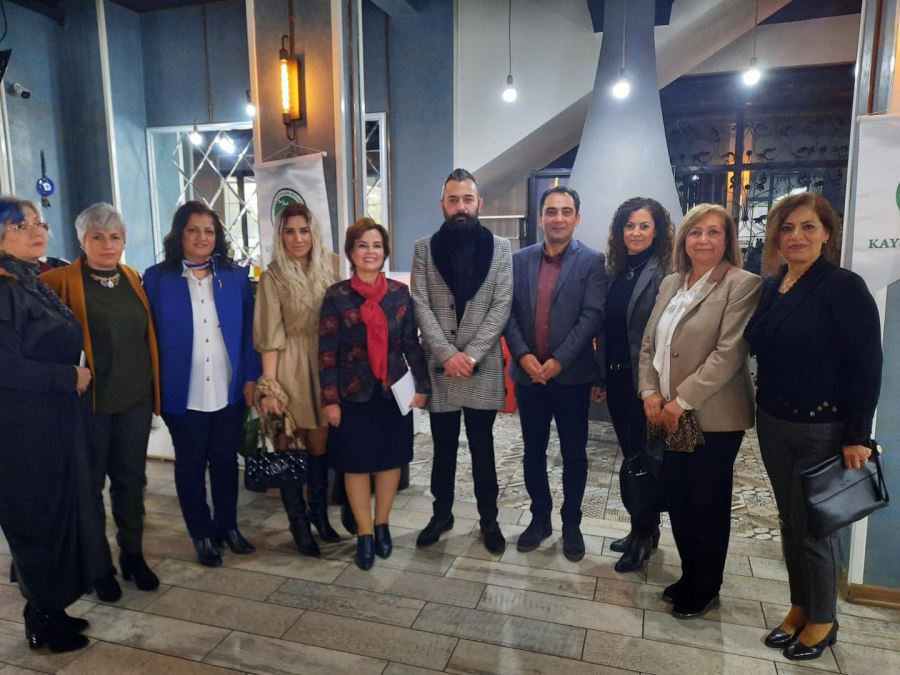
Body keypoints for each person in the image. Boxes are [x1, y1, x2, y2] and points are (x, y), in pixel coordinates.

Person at [745, 193, 882, 661]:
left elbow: (866, 365)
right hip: (773, 421)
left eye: (807, 227)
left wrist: (857, 436)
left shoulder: (844, 287)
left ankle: (824, 619)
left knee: (814, 529)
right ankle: (800, 606)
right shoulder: (773, 286)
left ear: (826, 234)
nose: (796, 236)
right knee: (790, 523)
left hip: (822, 428)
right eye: (787, 228)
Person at [638, 203, 762, 619]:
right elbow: (649, 345)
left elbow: (728, 354)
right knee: (678, 499)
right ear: (683, 240)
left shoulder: (742, 284)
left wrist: (680, 401)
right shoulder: (671, 282)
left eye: (713, 232)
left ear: (727, 239)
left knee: (706, 503)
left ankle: (706, 586)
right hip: (666, 413)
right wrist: (649, 392)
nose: (703, 240)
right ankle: (689, 574)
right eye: (695, 232)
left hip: (713, 416)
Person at [0, 197, 106, 653]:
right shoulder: (3, 289)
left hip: (54, 422)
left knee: (59, 513)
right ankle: (42, 617)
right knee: (36, 519)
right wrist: (68, 377)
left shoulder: (30, 280)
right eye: (21, 225)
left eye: (38, 222)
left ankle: (50, 608)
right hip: (22, 432)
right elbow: (6, 368)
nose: (36, 230)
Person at [42, 203, 161, 601]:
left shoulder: (133, 278)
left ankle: (133, 554)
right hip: (88, 404)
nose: (108, 244)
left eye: (115, 237)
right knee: (89, 485)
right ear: (82, 240)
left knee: (131, 481)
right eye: (98, 237)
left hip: (134, 398)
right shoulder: (58, 281)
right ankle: (98, 566)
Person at [143, 201, 260, 567]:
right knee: (190, 464)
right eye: (193, 230)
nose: (201, 237)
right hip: (183, 390)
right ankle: (202, 533)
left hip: (228, 389)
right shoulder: (157, 278)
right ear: (179, 234)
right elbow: (147, 336)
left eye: (209, 231)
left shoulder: (235, 276)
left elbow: (250, 332)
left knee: (225, 461)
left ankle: (228, 526)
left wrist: (251, 377)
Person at [411, 168, 513, 554]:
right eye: (453, 199)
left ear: (479, 203)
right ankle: (442, 515)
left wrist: (469, 355)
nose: (460, 207)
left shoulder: (501, 248)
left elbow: (502, 305)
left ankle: (489, 520)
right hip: (441, 369)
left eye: (467, 199)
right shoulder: (423, 248)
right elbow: (420, 303)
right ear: (442, 204)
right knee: (443, 449)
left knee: (484, 449)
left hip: (480, 366)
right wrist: (447, 354)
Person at [319, 218, 430, 570]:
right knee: (355, 464)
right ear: (351, 252)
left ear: (385, 252)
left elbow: (411, 344)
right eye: (363, 245)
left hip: (392, 392)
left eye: (377, 246)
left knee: (390, 460)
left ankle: (382, 525)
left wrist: (422, 386)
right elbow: (326, 353)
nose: (370, 252)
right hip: (351, 396)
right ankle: (364, 533)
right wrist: (330, 400)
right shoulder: (336, 296)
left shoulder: (399, 294)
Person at [504, 185, 606, 561]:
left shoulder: (593, 261)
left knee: (574, 455)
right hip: (528, 377)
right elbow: (507, 313)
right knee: (533, 452)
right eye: (551, 211)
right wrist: (523, 355)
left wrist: (559, 360)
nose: (558, 218)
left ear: (577, 218)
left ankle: (571, 524)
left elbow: (592, 315)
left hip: (571, 378)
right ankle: (540, 519)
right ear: (540, 218)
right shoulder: (518, 261)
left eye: (565, 211)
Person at [591, 197, 674, 573]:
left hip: (647, 384)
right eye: (629, 225)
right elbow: (607, 329)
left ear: (657, 232)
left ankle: (643, 535)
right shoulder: (616, 270)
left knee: (645, 459)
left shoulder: (665, 274)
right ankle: (643, 528)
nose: (635, 232)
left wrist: (654, 388)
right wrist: (601, 376)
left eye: (644, 226)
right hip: (618, 378)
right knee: (632, 456)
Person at [254, 203, 338, 557]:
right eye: (290, 231)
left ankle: (319, 513)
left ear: (313, 233)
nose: (298, 238)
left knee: (320, 444)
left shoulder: (330, 268)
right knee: (290, 447)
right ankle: (298, 524)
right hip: (289, 365)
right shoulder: (272, 277)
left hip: (324, 364)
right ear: (280, 236)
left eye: (304, 230)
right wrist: (270, 388)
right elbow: (269, 336)